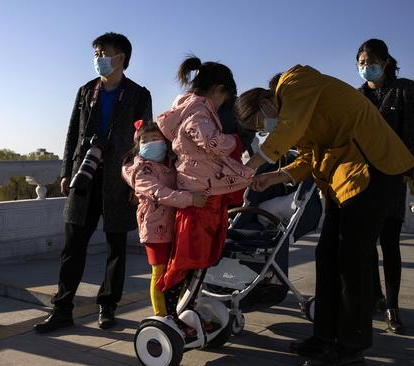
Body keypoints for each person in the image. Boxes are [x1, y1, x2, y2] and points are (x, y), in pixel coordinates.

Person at [236, 65, 414, 366]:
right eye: (257, 131)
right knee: (327, 254)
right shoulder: (297, 115)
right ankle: (324, 338)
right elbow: (308, 157)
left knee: (351, 260)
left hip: (374, 168)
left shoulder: (295, 81)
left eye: (260, 123)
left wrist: (248, 167)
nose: (263, 130)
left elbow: (287, 130)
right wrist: (275, 177)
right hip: (344, 181)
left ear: (266, 102)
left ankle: (351, 346)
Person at [34, 32, 152, 333]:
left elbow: (145, 141)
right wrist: (65, 172)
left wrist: (139, 182)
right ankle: (62, 308)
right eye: (96, 52)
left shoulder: (139, 95)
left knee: (116, 246)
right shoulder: (87, 91)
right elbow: (72, 133)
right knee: (73, 245)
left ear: (120, 57)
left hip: (119, 178)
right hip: (84, 175)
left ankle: (108, 307)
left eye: (103, 52)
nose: (98, 58)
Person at [154, 56, 254, 298]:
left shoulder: (186, 106)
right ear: (219, 90)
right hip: (201, 189)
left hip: (196, 184)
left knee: (193, 252)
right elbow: (209, 141)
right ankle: (178, 305)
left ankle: (185, 304)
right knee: (194, 253)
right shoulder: (199, 110)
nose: (222, 105)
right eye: (223, 99)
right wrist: (234, 141)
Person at [356, 38, 414, 334]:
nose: (366, 68)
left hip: (392, 175)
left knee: (390, 243)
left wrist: (406, 169)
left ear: (385, 61)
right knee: (366, 243)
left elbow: (410, 132)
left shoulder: (404, 88)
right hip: (362, 177)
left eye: (370, 62)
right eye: (361, 63)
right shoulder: (356, 96)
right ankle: (374, 297)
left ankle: (392, 307)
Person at [121, 120, 207, 317]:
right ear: (138, 144)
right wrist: (191, 199)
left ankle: (176, 311)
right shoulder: (140, 170)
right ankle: (161, 317)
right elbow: (159, 193)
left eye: (156, 138)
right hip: (154, 228)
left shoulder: (170, 164)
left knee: (175, 272)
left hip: (175, 227)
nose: (151, 143)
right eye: (146, 140)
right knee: (158, 273)